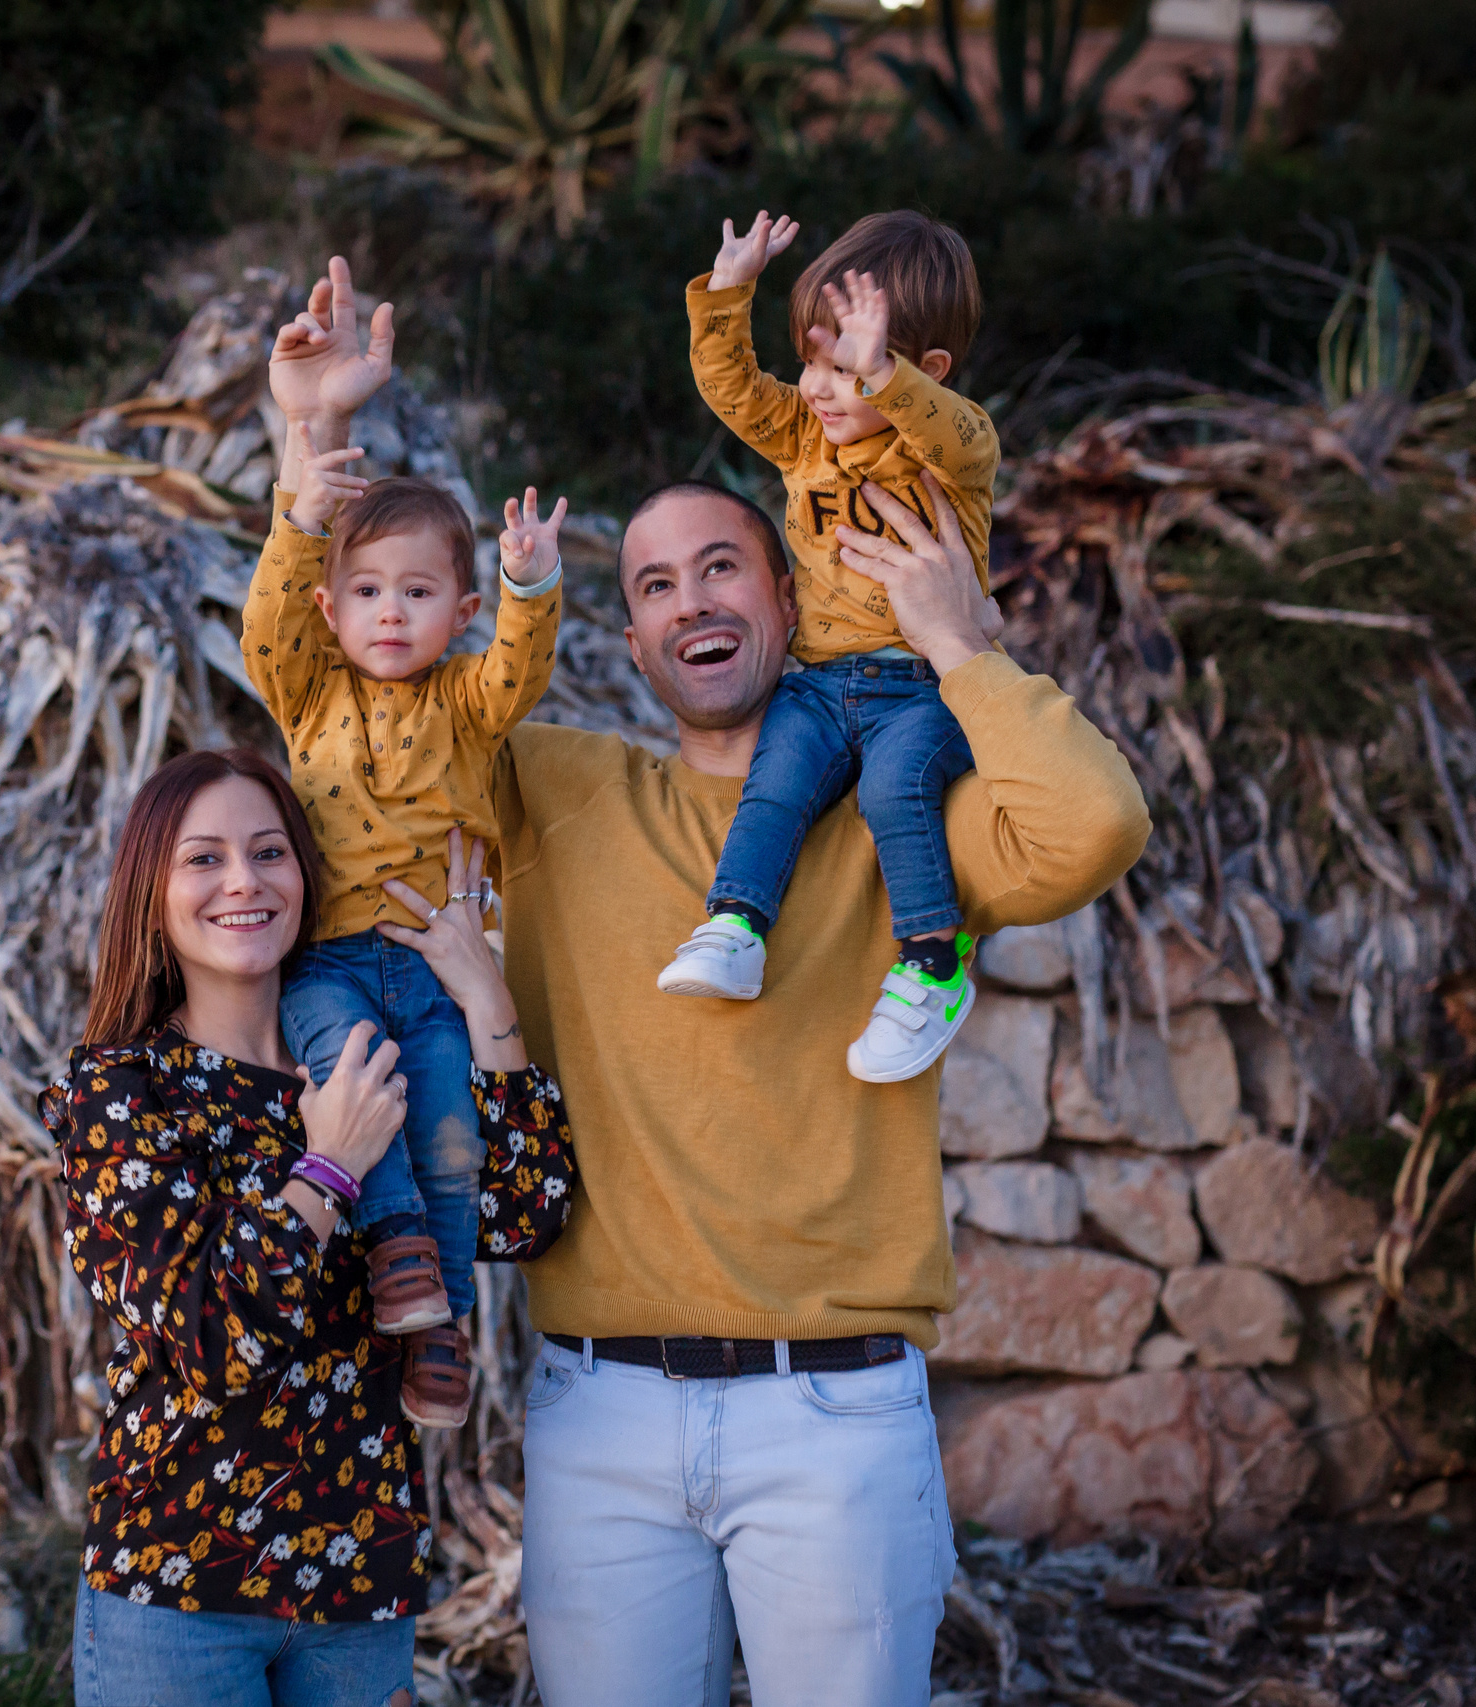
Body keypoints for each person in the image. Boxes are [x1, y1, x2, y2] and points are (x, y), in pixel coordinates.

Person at [253, 254, 1147, 1704]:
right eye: (654, 583)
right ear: (627, 639)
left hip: (836, 1409)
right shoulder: (540, 788)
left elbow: (1094, 824)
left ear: (790, 598)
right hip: (599, 1406)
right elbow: (332, 683)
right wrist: (309, 439)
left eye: (721, 565)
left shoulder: (895, 819)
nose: (690, 600)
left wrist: (960, 641)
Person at [43, 747, 576, 1707]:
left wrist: (481, 993)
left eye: (269, 852)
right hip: (179, 1590)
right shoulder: (121, 1090)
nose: (243, 881)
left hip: (359, 1583)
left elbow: (531, 1207)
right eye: (203, 859)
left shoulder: (374, 1069)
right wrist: (325, 1168)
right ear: (150, 894)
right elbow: (211, 1340)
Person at [246, 262, 568, 1429]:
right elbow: (269, 613)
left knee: (444, 1128)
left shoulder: (469, 703)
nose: (391, 611)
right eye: (368, 590)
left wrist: (532, 584)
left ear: (459, 608)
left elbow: (522, 669)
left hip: (438, 967)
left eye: (420, 591)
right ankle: (399, 1266)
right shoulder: (306, 693)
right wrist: (300, 513)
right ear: (331, 613)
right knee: (352, 1091)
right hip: (330, 959)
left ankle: (440, 1337)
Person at [657, 209, 1005, 1087]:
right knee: (775, 785)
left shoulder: (950, 459)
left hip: (925, 689)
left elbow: (958, 430)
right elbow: (733, 388)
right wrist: (729, 293)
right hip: (817, 684)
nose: (817, 383)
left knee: (896, 791)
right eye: (814, 358)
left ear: (920, 373)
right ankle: (736, 925)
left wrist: (882, 377)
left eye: (845, 367)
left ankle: (932, 961)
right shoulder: (806, 435)